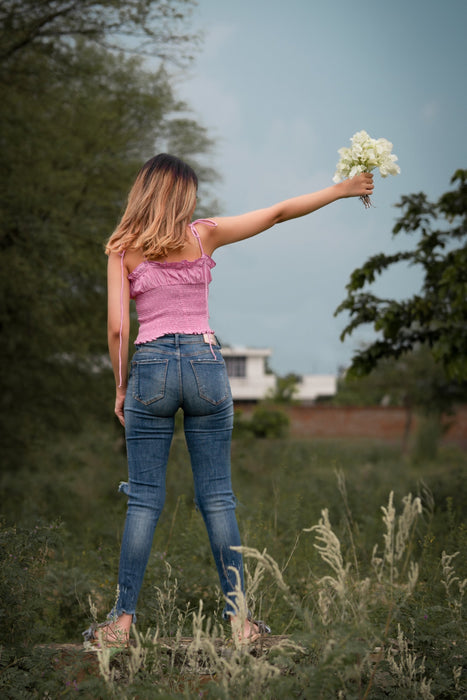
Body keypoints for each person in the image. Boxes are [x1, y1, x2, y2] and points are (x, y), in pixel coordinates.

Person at [83, 153, 374, 646]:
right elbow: (279, 212)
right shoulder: (203, 234)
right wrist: (342, 189)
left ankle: (122, 622)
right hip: (204, 364)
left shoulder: (122, 248)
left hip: (150, 366)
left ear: (143, 192)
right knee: (216, 496)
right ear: (183, 197)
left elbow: (117, 326)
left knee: (144, 500)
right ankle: (240, 624)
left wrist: (120, 385)